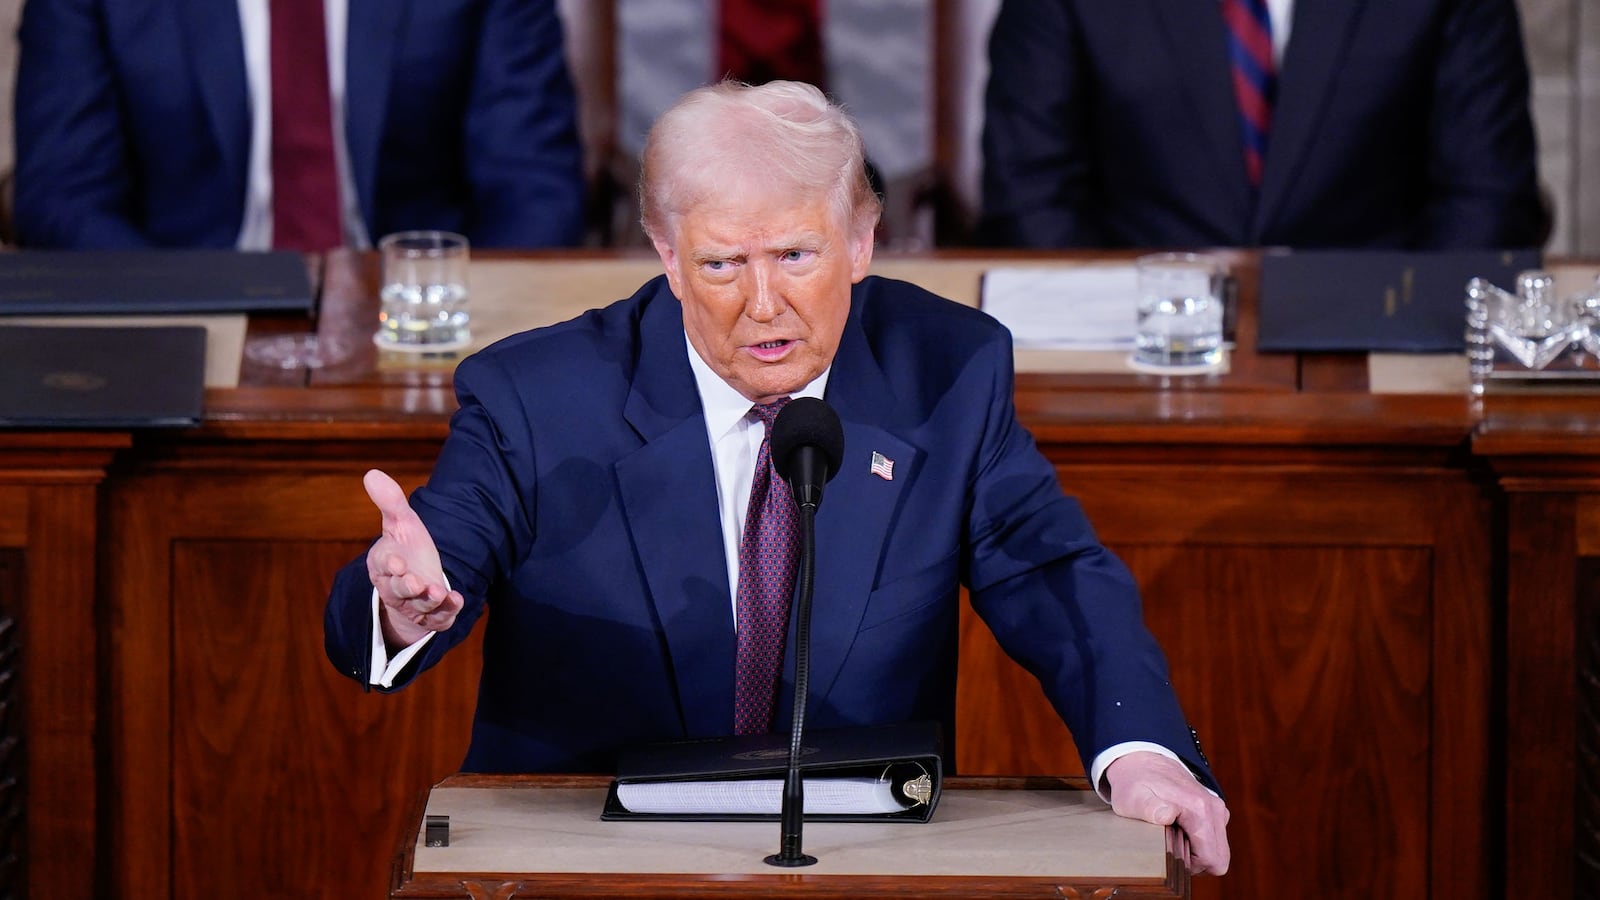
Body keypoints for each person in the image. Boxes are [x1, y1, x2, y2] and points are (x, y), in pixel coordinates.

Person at [324, 80, 1230, 874]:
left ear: (864, 242)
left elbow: (1051, 571)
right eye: (722, 263)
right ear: (667, 256)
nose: (764, 305)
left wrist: (1140, 750)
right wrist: (402, 604)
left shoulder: (947, 372)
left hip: (856, 858)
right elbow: (442, 551)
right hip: (587, 855)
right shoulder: (537, 395)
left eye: (797, 256)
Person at [12, 0, 585, 250]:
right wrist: (174, 305)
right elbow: (63, 193)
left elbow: (534, 185)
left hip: (419, 318)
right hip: (186, 311)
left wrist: (462, 315)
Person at [978, 0, 1547, 251]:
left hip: (1375, 346)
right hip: (1135, 342)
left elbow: (1486, 198)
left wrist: (1416, 334)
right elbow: (1030, 193)